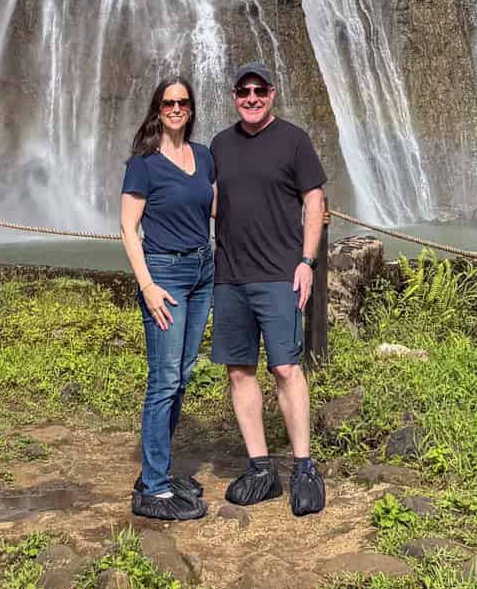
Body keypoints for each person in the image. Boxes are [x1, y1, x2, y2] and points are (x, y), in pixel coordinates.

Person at [209, 61, 327, 516]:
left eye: (260, 90)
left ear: (272, 93)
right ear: (235, 95)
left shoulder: (293, 140)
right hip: (231, 276)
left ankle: (303, 467)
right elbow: (211, 200)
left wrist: (306, 261)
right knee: (239, 371)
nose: (252, 97)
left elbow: (313, 198)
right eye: (244, 91)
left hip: (280, 274)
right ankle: (261, 468)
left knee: (285, 369)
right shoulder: (220, 144)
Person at [120, 73, 215, 521]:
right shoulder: (143, 162)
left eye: (182, 102)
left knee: (183, 373)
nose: (175, 109)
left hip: (202, 271)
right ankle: (154, 486)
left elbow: (217, 208)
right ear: (157, 110)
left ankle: (156, 471)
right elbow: (127, 227)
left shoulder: (204, 157)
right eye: (167, 103)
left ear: (191, 109)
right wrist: (147, 285)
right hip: (165, 275)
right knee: (164, 379)